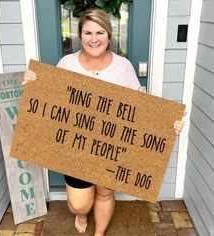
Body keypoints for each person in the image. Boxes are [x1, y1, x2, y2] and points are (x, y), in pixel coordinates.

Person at [23, 8, 184, 236]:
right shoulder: (67, 63)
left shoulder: (123, 66)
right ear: (80, 35)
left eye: (100, 32)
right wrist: (33, 82)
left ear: (108, 35)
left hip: (108, 147)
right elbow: (51, 99)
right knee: (80, 204)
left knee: (105, 192)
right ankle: (82, 213)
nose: (94, 39)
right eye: (88, 33)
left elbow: (141, 106)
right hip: (75, 146)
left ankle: (99, 233)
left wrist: (168, 123)